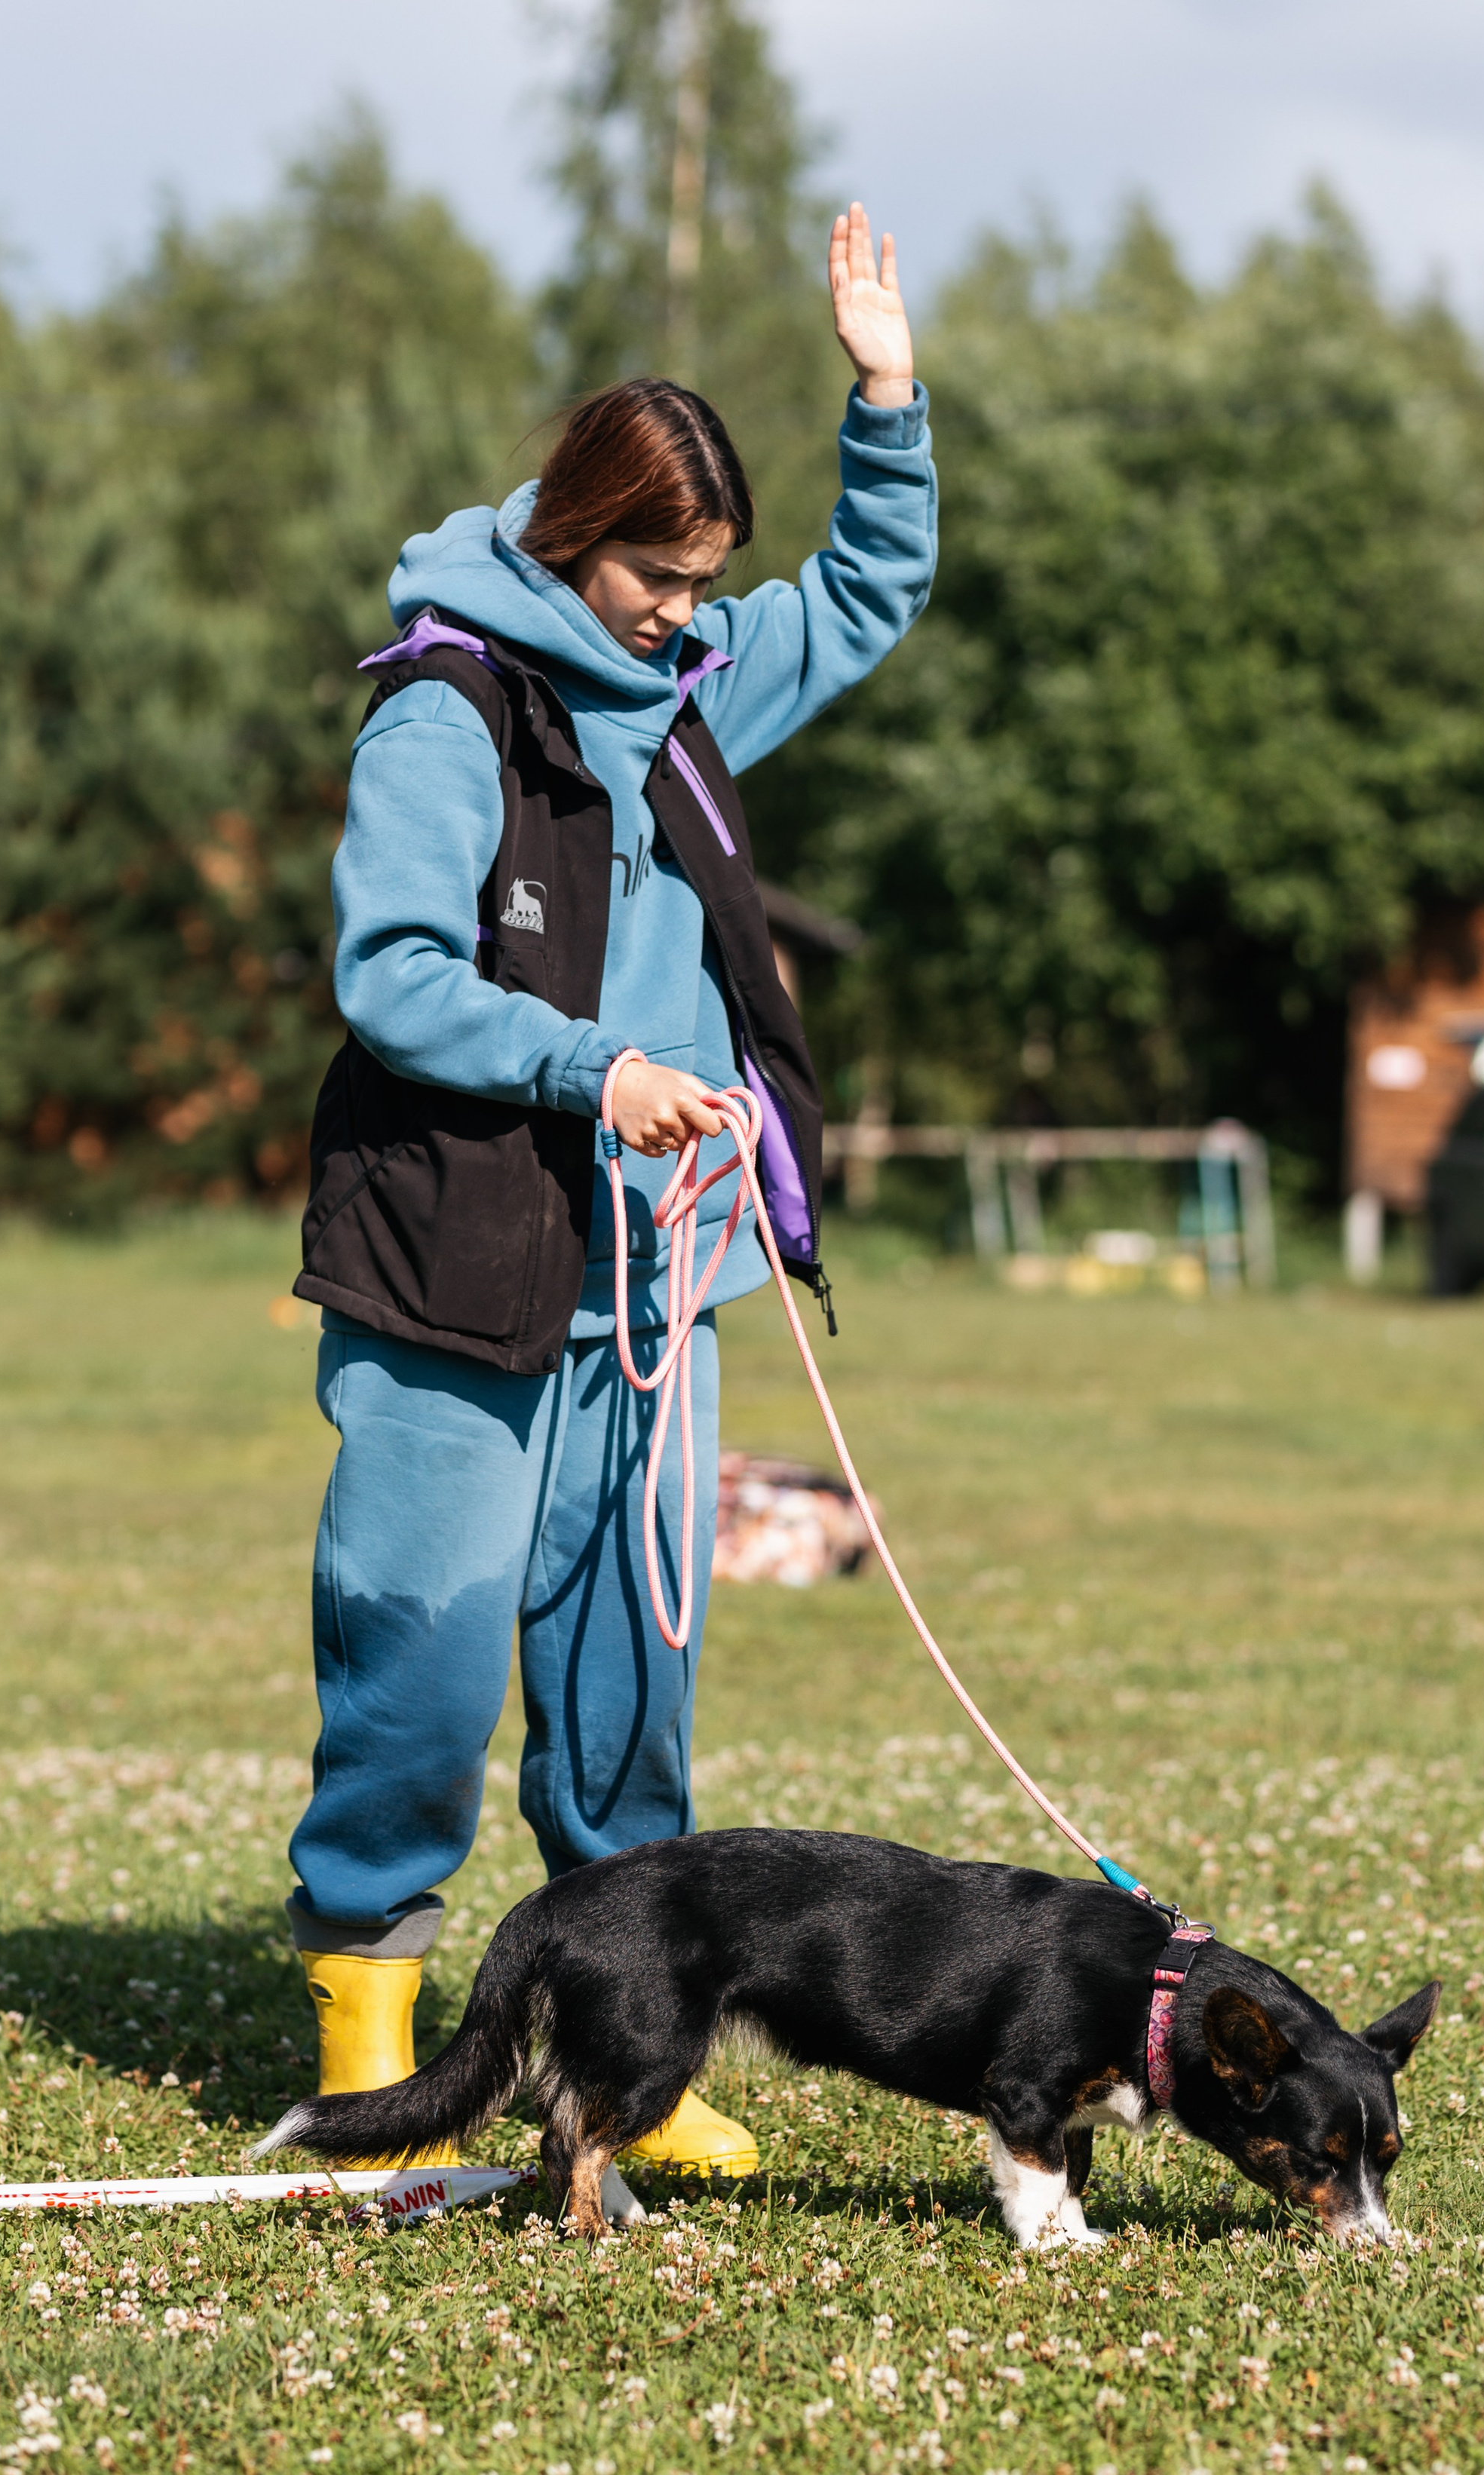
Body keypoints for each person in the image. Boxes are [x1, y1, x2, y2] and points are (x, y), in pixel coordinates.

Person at [281, 205, 934, 2178]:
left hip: (663, 1273)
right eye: (662, 575)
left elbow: (876, 590)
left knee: (626, 1670)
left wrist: (884, 392)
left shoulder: (703, 675)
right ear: (579, 537)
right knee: (425, 1631)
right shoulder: (446, 707)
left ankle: (622, 2048)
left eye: (708, 580)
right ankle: (374, 2025)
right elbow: (391, 972)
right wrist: (597, 1066)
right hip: (461, 1253)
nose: (689, 609)